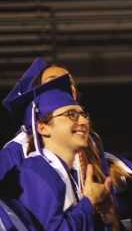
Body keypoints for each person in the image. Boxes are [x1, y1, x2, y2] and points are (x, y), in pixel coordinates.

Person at [2, 74, 112, 230]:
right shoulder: (34, 174)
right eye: (71, 115)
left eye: (83, 114)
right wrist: (88, 202)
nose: (84, 121)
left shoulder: (59, 174)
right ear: (42, 128)